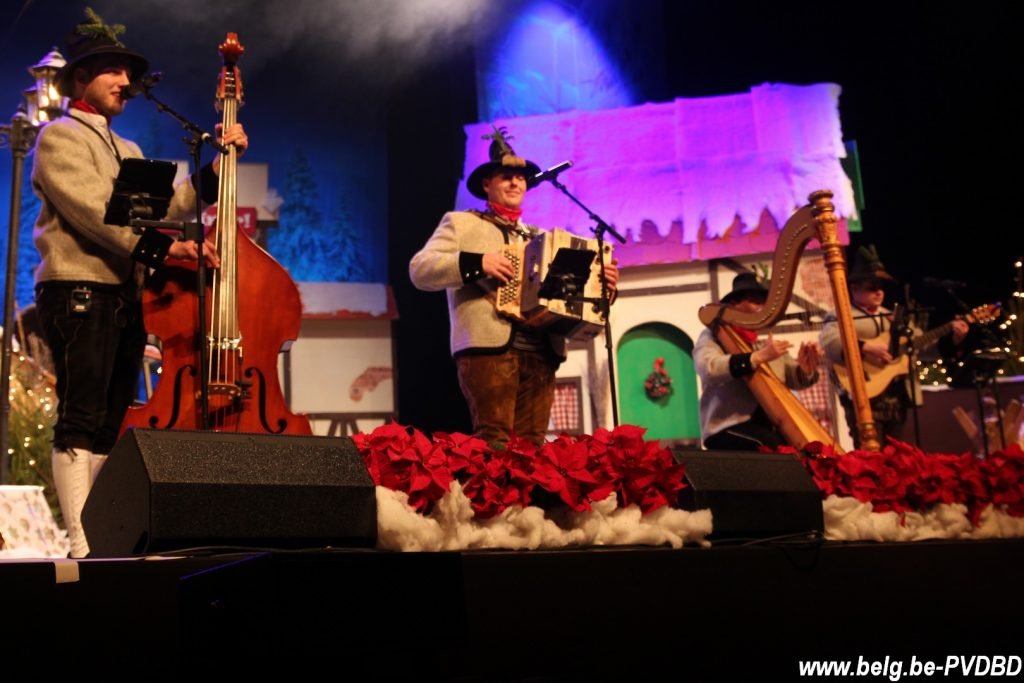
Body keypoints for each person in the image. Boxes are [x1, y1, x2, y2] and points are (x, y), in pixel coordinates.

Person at [32, 9, 247, 557]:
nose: (126, 82)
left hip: (120, 293)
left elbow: (162, 207)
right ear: (80, 78)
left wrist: (217, 168)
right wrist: (164, 246)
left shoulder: (123, 149)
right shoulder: (59, 138)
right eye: (112, 71)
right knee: (81, 414)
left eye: (126, 74)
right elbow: (96, 215)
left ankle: (95, 531)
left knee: (107, 419)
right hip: (78, 288)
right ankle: (81, 539)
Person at [409, 126, 619, 447]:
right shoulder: (461, 222)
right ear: (486, 184)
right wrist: (478, 263)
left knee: (532, 446)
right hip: (489, 348)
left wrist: (602, 286)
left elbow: (564, 293)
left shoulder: (541, 237)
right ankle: (497, 500)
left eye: (520, 178)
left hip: (541, 349)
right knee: (495, 441)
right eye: (506, 176)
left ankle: (524, 501)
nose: (515, 182)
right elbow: (420, 269)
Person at [817, 245, 966, 447]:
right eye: (872, 287)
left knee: (896, 452)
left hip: (896, 397)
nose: (879, 292)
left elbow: (923, 345)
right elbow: (830, 343)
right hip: (864, 393)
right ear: (855, 289)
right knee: (869, 451)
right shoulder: (841, 315)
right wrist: (865, 347)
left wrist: (953, 338)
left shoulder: (894, 317)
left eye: (881, 287)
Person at [695, 272, 822, 450]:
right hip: (726, 427)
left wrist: (806, 369)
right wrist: (757, 357)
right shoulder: (713, 336)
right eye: (756, 301)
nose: (762, 307)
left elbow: (792, 378)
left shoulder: (761, 341)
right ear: (734, 305)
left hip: (766, 427)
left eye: (764, 302)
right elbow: (708, 369)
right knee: (775, 449)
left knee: (808, 451)